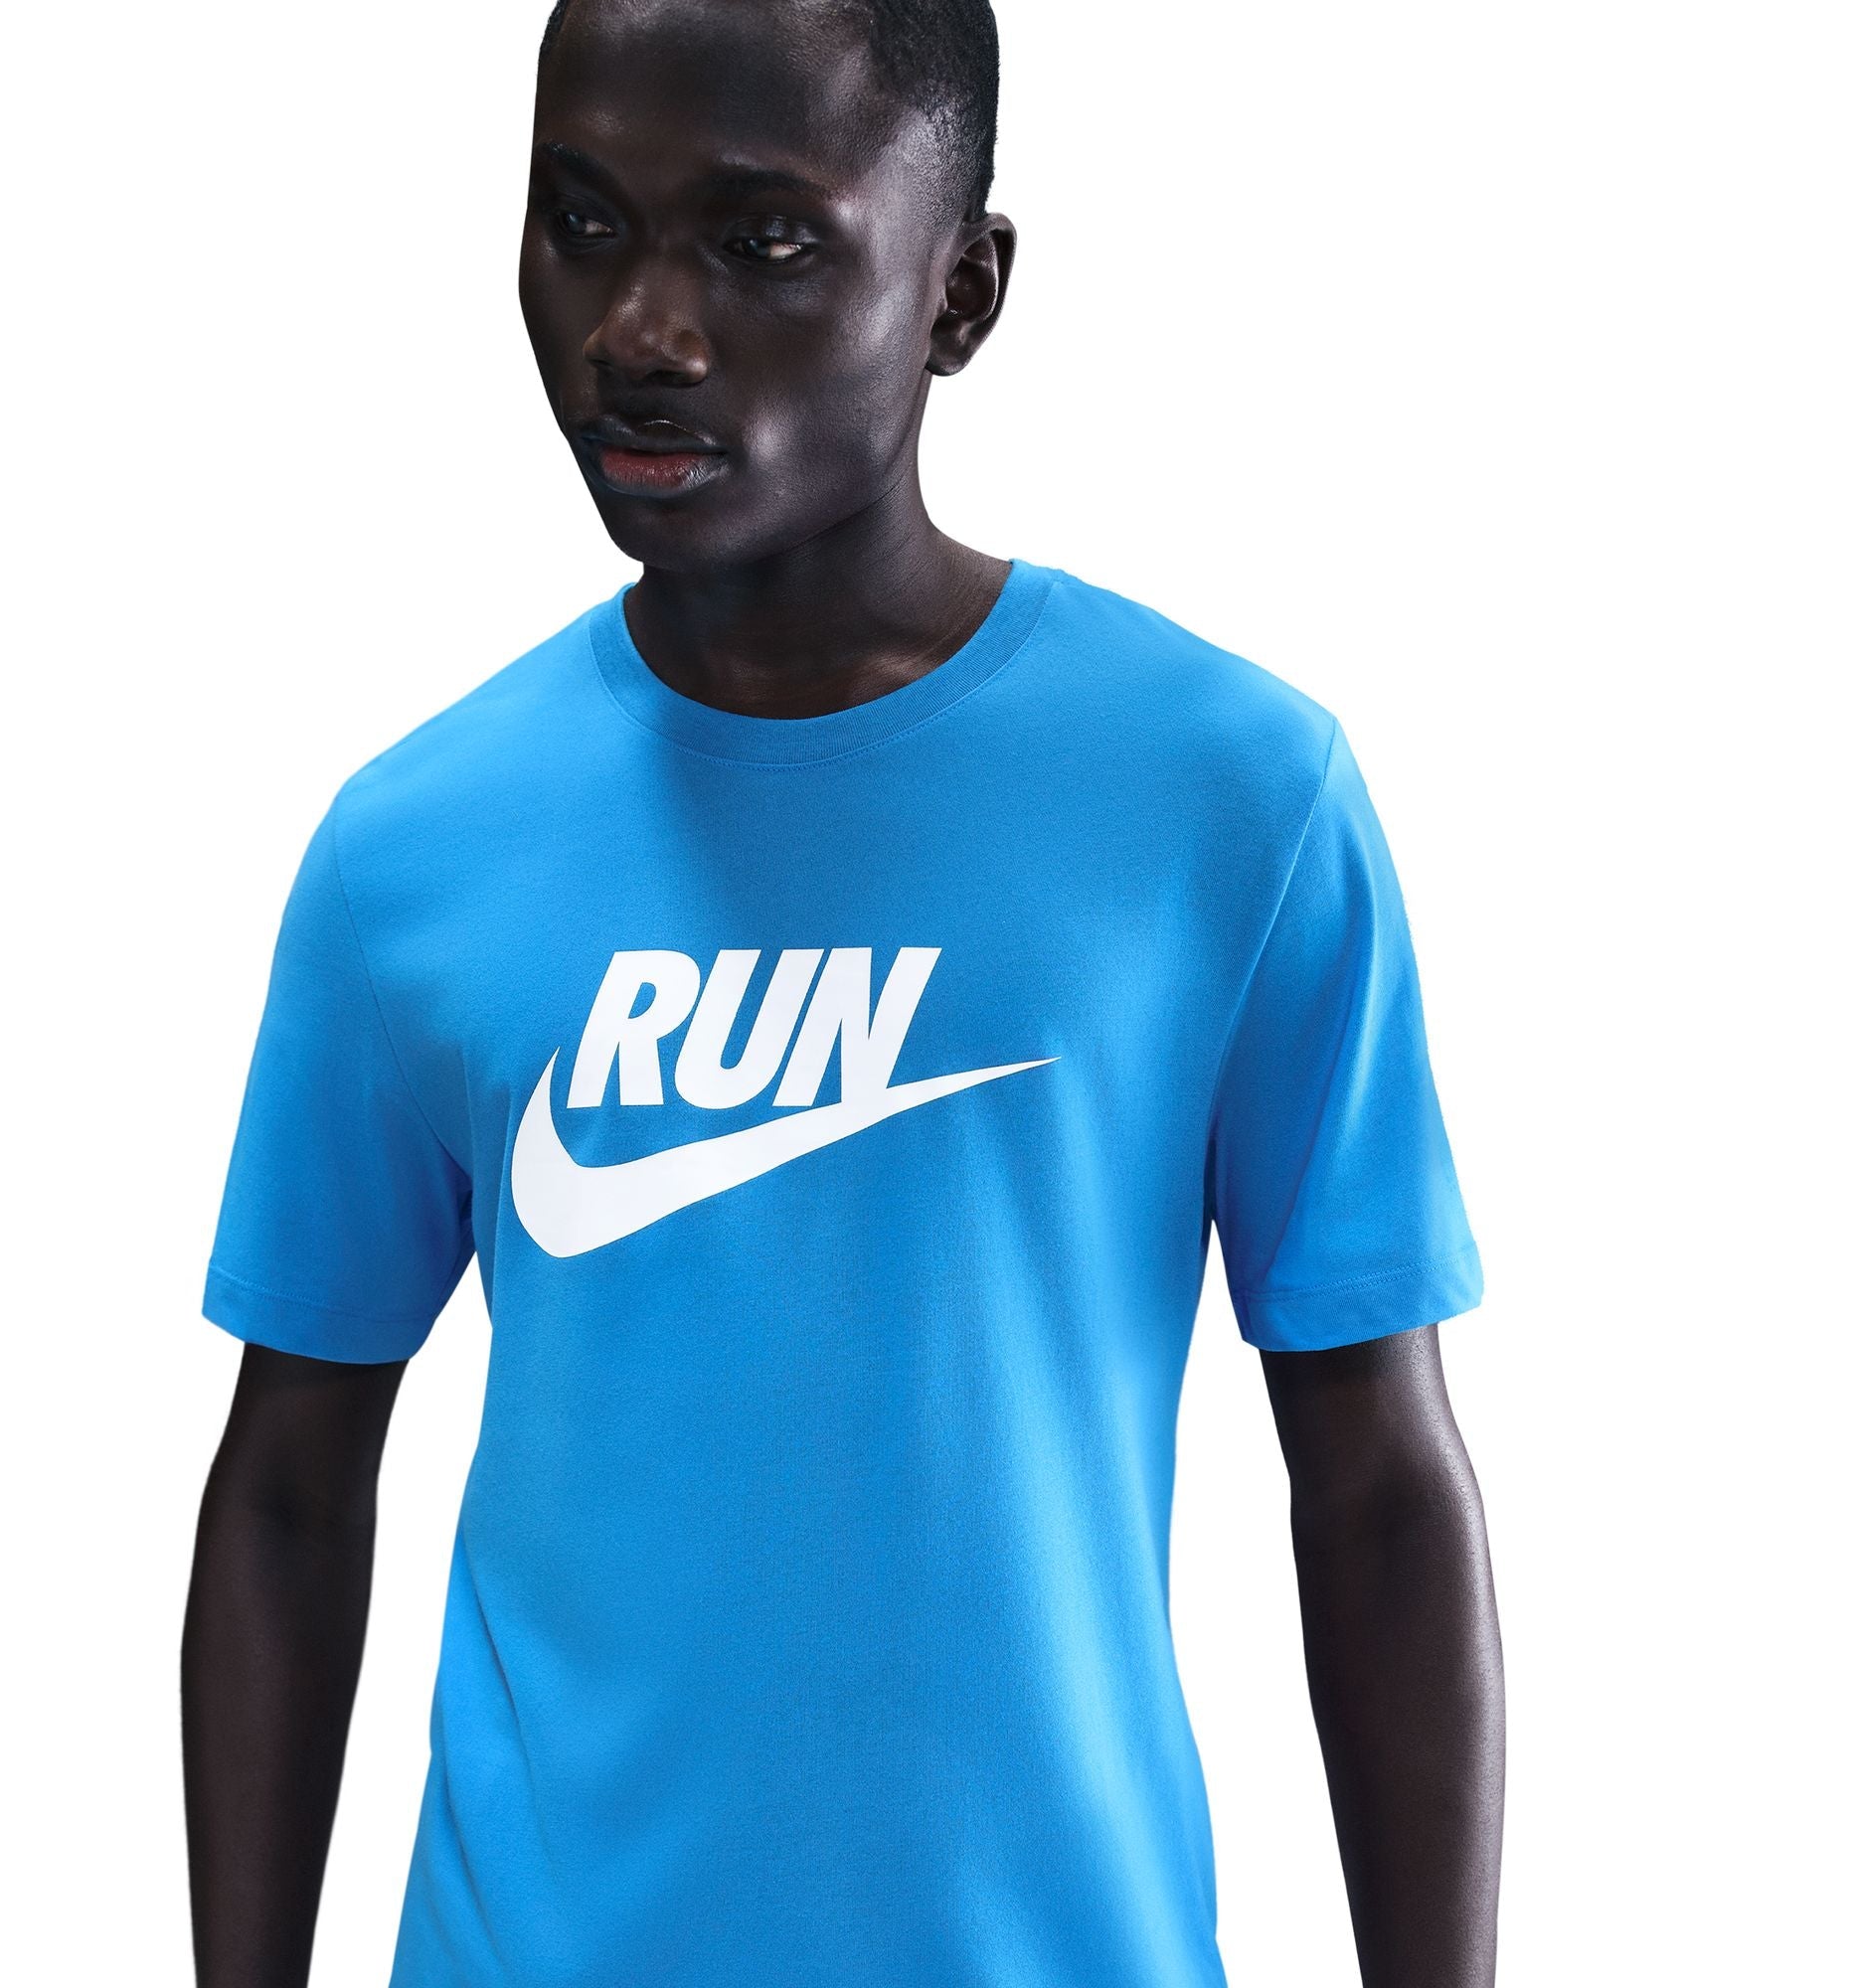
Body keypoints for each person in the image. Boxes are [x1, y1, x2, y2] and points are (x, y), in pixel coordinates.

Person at [182, 0, 1505, 1982]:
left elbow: (1379, 1481)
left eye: (762, 240)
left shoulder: (1228, 800)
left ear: (960, 292)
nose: (642, 328)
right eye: (583, 221)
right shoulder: (415, 848)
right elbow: (289, 1484)